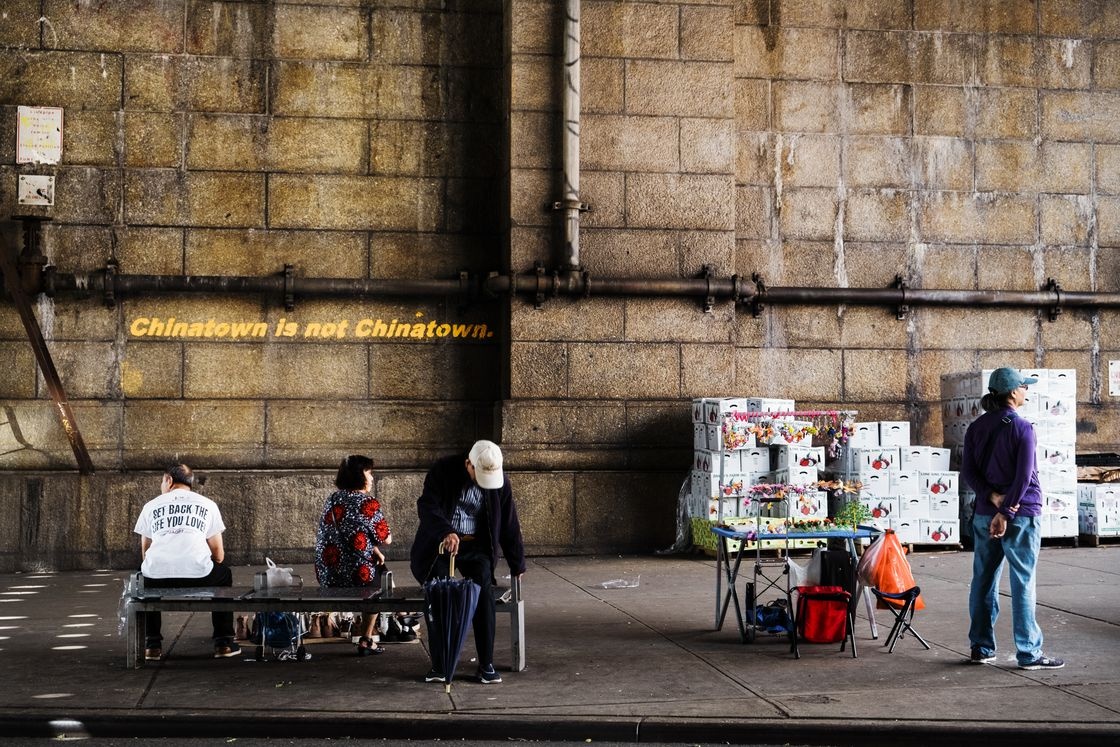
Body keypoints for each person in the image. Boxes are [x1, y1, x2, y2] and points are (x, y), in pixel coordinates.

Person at [961, 367, 1064, 670]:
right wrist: (1007, 512)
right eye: (1024, 387)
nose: (1027, 391)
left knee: (983, 579)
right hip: (1021, 515)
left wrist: (991, 498)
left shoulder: (976, 427)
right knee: (1022, 580)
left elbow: (969, 471)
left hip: (983, 513)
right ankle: (1029, 652)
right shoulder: (1023, 428)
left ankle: (981, 647)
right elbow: (1023, 477)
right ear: (1013, 392)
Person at [410, 440, 526, 684]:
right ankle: (441, 664)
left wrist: (518, 563)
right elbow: (427, 506)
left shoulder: (500, 480)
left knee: (483, 591)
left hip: (477, 544)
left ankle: (486, 664)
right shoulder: (443, 471)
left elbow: (508, 522)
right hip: (441, 544)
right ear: (468, 465)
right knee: (440, 593)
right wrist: (446, 531)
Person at [133, 463, 240, 660]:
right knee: (224, 573)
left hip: (156, 577)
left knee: (144, 575)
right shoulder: (208, 504)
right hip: (199, 575)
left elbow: (146, 552)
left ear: (169, 480)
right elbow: (218, 554)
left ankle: (152, 645)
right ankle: (223, 643)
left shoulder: (150, 506)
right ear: (190, 483)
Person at [315, 454, 393, 655]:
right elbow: (387, 539)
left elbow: (342, 534)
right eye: (369, 473)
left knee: (375, 566)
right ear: (360, 476)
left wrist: (371, 549)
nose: (372, 478)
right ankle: (367, 638)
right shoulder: (367, 503)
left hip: (328, 574)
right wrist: (376, 547)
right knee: (382, 581)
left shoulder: (332, 499)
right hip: (358, 576)